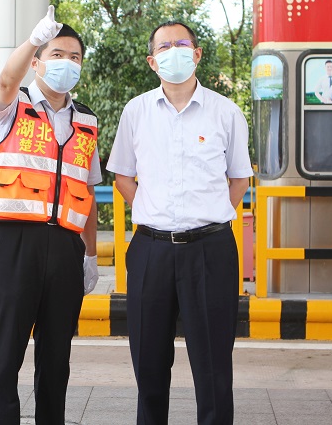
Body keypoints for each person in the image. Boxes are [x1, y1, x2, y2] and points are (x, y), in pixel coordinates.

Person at [107, 21, 253, 425]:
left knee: (213, 370)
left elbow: (239, 178)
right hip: (150, 251)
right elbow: (122, 175)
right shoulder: (136, 111)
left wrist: (204, 215)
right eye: (164, 46)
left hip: (211, 251)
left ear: (196, 54)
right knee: (150, 368)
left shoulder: (226, 112)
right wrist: (154, 212)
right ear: (153, 61)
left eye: (181, 44)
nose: (174, 51)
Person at [0, 5, 101, 425]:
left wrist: (90, 255)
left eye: (75, 57)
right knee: (6, 355)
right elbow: (5, 79)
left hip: (66, 247)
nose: (67, 63)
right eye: (57, 54)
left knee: (57, 358)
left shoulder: (87, 120)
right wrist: (34, 37)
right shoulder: (11, 107)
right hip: (15, 244)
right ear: (36, 63)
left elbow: (86, 192)